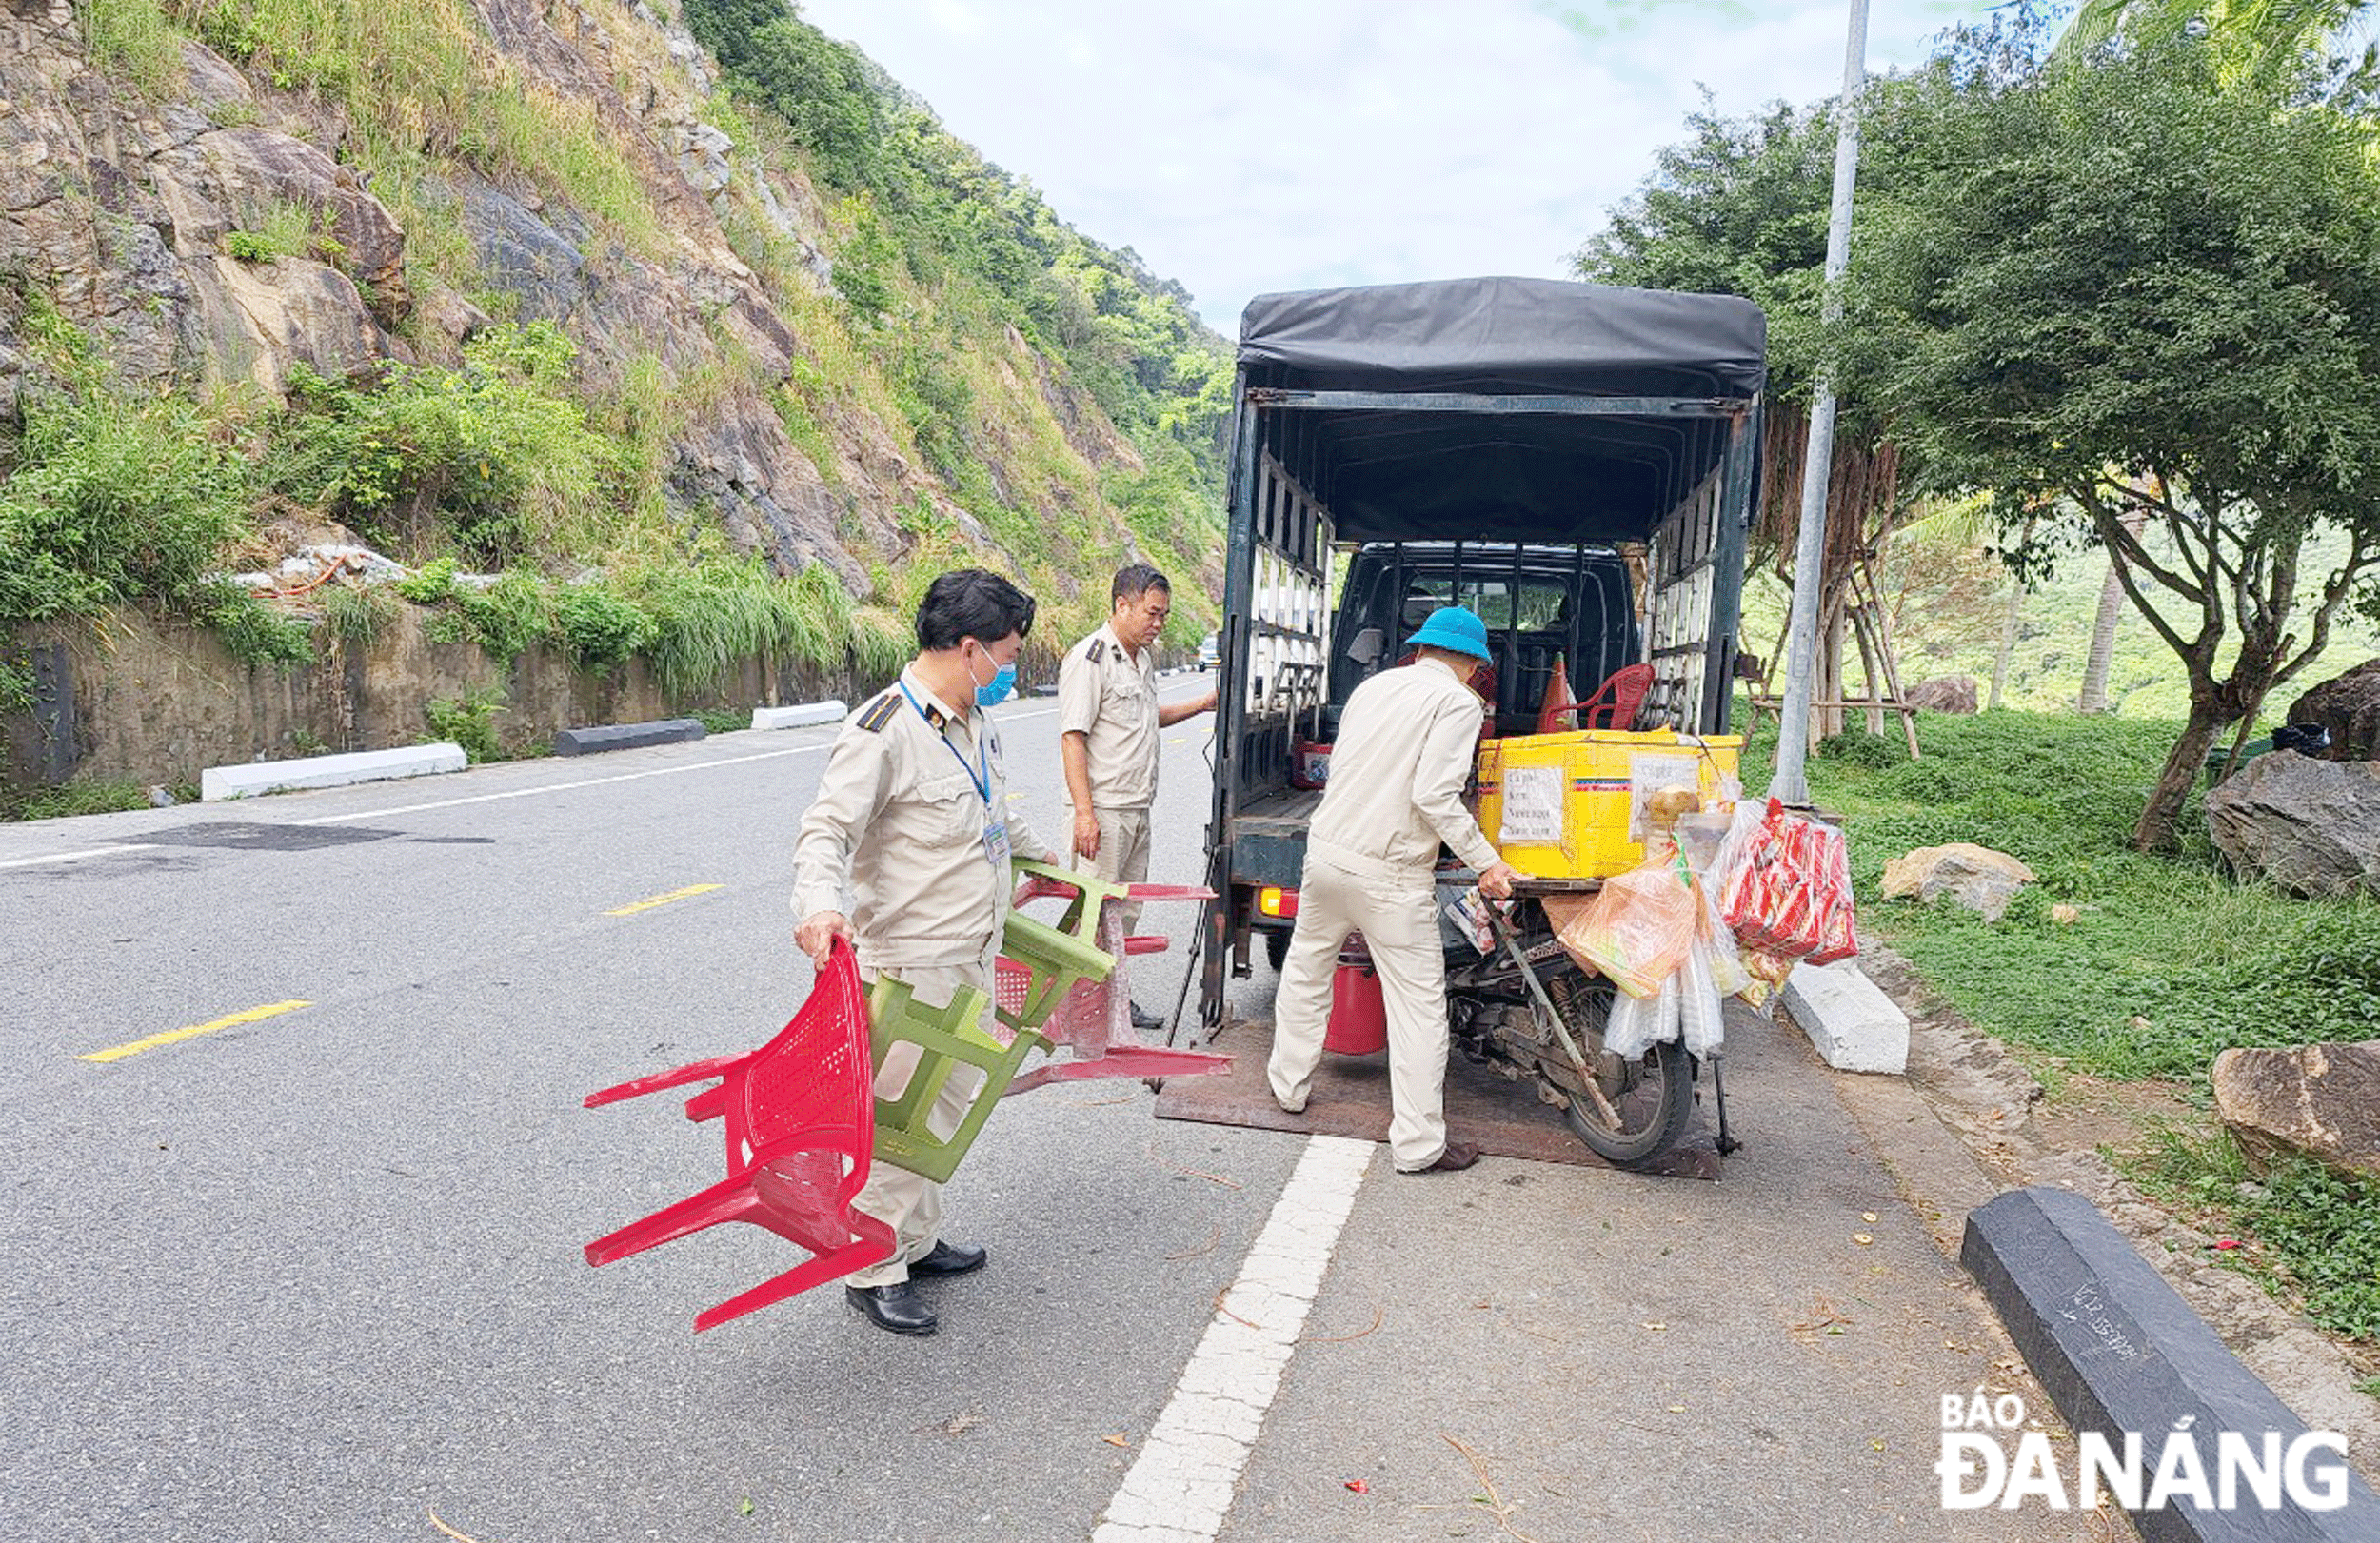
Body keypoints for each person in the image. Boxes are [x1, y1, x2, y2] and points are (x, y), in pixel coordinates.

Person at [792, 568, 1057, 1336]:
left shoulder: (972, 718)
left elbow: (996, 818)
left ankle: (915, 1238)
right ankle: (872, 1268)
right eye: (1006, 655)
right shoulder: (885, 729)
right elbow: (826, 831)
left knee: (946, 1102)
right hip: (911, 957)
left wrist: (1059, 868)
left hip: (970, 948)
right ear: (969, 647)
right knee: (901, 1111)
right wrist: (819, 907)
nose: (1012, 669)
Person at [1266, 605, 1521, 1173]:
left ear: (1423, 649)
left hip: (1327, 854)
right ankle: (1419, 1145)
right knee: (1418, 1010)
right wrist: (1486, 861)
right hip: (1390, 874)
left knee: (1307, 974)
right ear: (1476, 665)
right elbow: (1434, 795)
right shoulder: (1458, 703)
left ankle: (1288, 1089)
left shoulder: (1373, 687)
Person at [1056, 564, 1218, 1028]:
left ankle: (1111, 1000)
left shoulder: (1142, 660)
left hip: (1136, 808)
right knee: (1093, 913)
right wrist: (1085, 814)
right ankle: (1076, 1005)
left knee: (1123, 915)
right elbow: (1073, 737)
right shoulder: (1090, 658)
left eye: (1164, 614)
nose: (1159, 623)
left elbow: (1150, 717)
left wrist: (1203, 704)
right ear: (1121, 605)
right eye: (1152, 613)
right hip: (1103, 811)